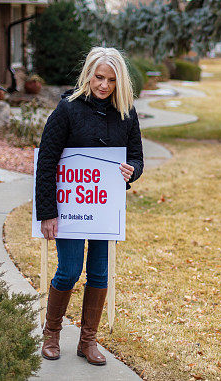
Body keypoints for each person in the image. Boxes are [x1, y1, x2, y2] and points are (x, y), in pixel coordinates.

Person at [35, 46, 144, 366]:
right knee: (68, 270)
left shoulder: (126, 112)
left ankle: (88, 340)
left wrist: (132, 171)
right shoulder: (68, 109)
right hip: (70, 208)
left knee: (99, 272)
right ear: (88, 76)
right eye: (98, 77)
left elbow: (136, 156)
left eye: (111, 79)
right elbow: (47, 161)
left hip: (104, 208)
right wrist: (47, 212)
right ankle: (52, 333)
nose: (104, 85)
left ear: (119, 81)